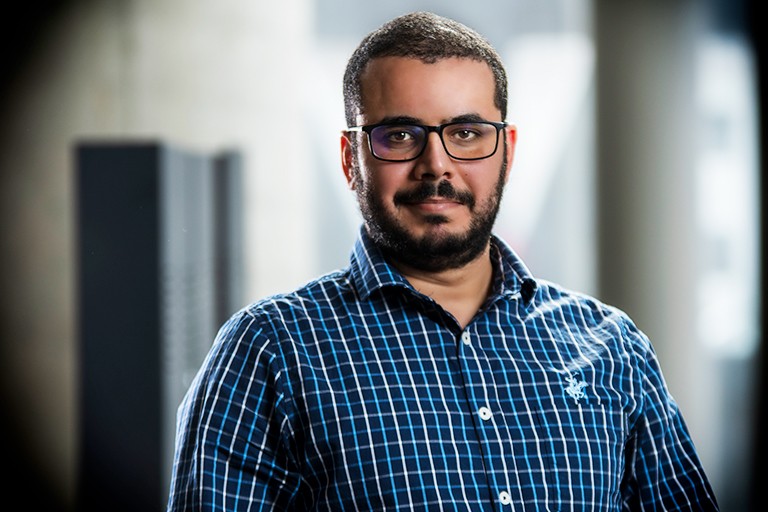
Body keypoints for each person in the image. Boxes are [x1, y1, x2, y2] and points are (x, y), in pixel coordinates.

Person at [167, 11, 719, 511]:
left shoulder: (612, 347)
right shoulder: (269, 350)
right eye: (400, 134)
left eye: (467, 132)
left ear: (507, 152)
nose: (437, 167)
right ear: (350, 157)